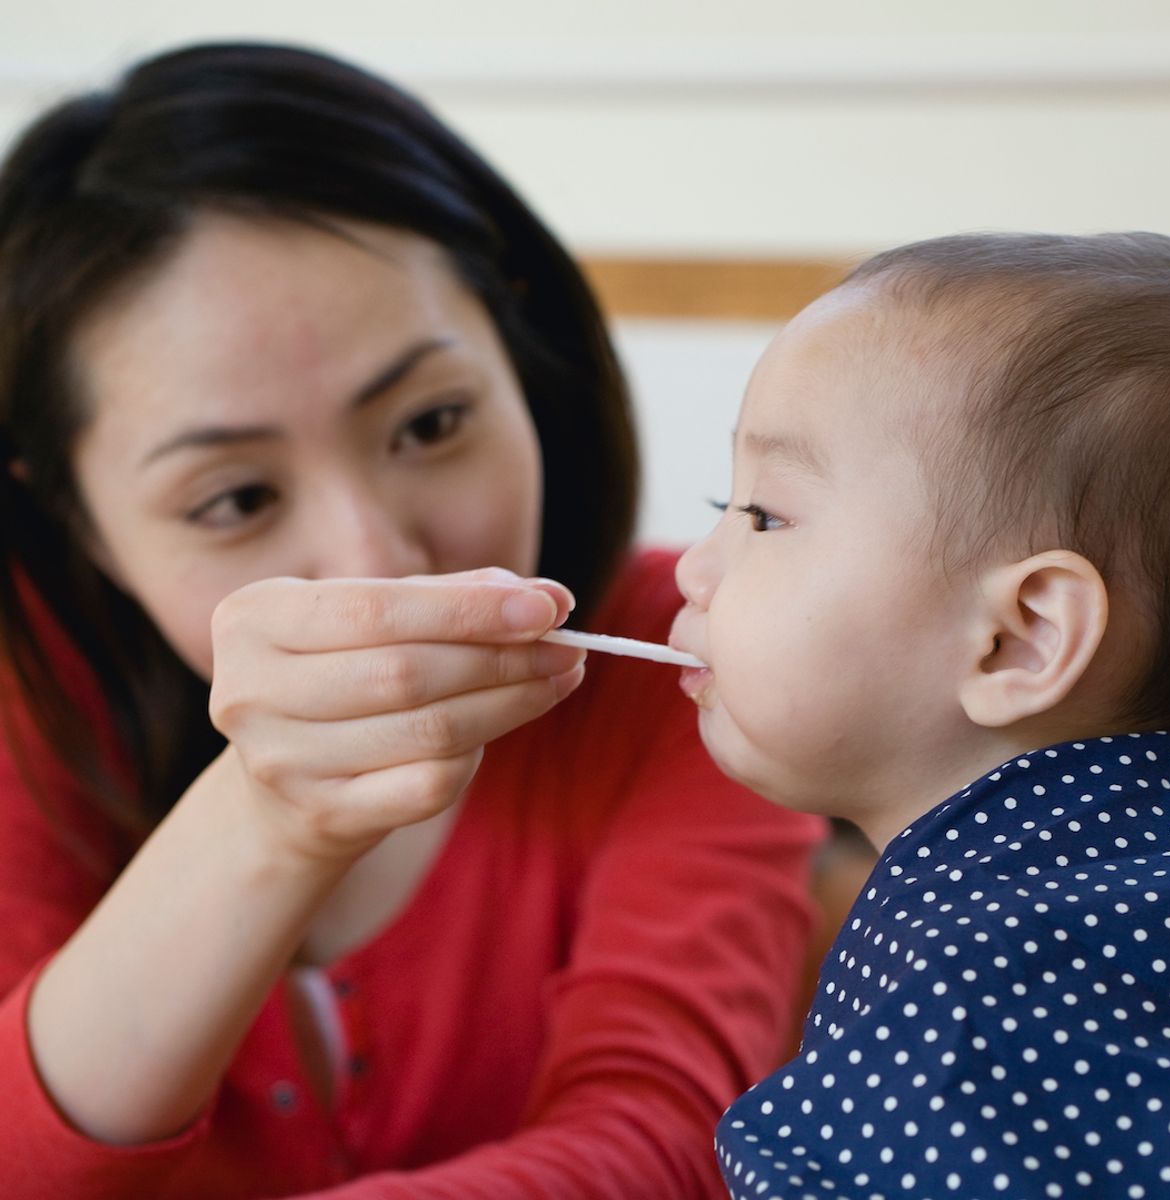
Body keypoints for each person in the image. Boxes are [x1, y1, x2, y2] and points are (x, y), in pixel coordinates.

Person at [0, 42, 826, 1199]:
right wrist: (269, 816)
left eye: (431, 423)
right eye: (237, 499)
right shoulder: (33, 703)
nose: (376, 557)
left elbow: (674, 1142)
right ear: (84, 526)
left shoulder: (690, 647)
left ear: (517, 351)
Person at [669, 230, 1170, 1199]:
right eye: (723, 500)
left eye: (766, 517)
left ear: (1020, 637)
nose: (692, 567)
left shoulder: (980, 1002)